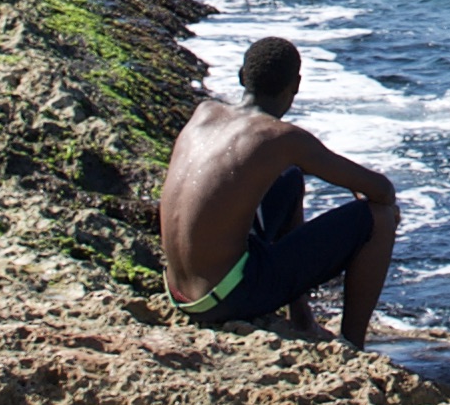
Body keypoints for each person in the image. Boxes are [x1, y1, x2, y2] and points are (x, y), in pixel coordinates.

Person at [155, 36, 397, 344]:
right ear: (295, 86)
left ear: (243, 77)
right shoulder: (281, 138)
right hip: (225, 297)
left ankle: (301, 317)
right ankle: (352, 344)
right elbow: (383, 190)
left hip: (180, 292)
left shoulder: (204, 112)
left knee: (289, 180)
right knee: (378, 218)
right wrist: (368, 200)